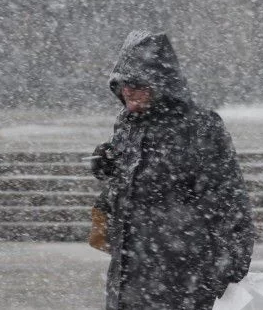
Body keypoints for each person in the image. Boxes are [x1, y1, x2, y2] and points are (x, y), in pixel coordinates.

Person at [91, 30, 254, 310]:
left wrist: (233, 260)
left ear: (161, 84)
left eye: (136, 84)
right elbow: (130, 186)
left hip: (181, 270)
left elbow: (229, 196)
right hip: (129, 270)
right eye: (121, 84)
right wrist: (108, 166)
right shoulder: (128, 123)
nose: (127, 91)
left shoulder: (200, 126)